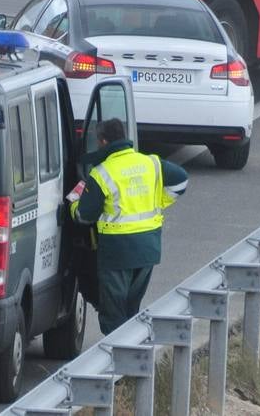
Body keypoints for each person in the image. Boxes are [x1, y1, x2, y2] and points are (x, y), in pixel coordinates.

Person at [69, 118, 188, 335]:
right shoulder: (150, 162)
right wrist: (159, 201)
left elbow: (84, 216)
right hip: (148, 249)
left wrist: (73, 203)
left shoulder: (102, 173)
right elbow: (181, 181)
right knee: (132, 308)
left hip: (117, 251)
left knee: (113, 312)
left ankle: (118, 362)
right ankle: (133, 358)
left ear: (103, 141)